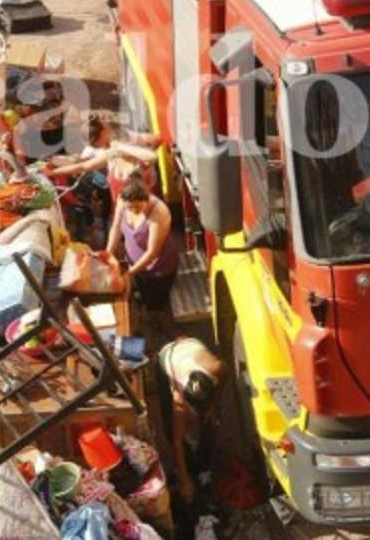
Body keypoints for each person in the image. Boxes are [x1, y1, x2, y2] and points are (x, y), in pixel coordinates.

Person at [106, 177, 180, 337]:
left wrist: (129, 273)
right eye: (129, 208)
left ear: (147, 200)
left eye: (138, 207)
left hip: (158, 269)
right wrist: (107, 254)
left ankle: (168, 331)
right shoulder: (122, 201)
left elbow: (152, 252)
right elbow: (116, 229)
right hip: (136, 266)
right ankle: (151, 316)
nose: (133, 211)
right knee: (144, 295)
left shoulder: (158, 213)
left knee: (157, 304)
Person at [158, 336, 227, 504]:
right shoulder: (179, 399)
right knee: (172, 427)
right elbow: (177, 442)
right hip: (168, 356)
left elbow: (224, 377)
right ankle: (188, 466)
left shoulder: (217, 367)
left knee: (207, 421)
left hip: (188, 344)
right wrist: (185, 480)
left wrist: (213, 406)